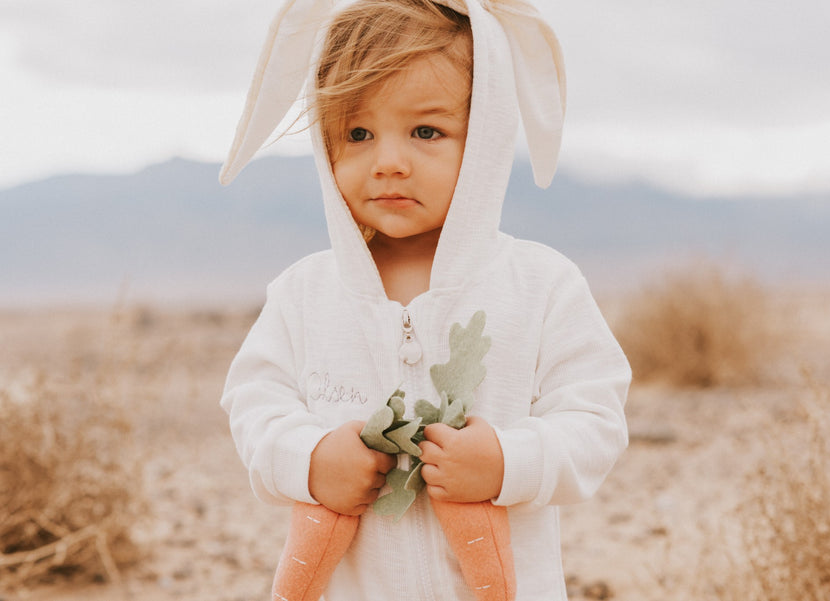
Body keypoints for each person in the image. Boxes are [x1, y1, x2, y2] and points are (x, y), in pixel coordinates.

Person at [219, 0, 631, 599]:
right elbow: (253, 405)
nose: (388, 162)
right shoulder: (303, 293)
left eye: (426, 131)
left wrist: (507, 462)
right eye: (357, 133)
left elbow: (595, 422)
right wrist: (308, 459)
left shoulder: (541, 284)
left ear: (486, 137)